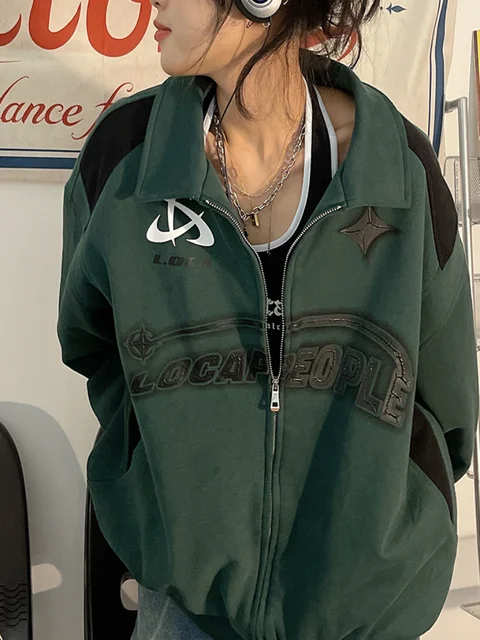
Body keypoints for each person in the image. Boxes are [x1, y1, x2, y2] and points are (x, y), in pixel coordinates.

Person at [56, 0, 479, 638]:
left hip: (362, 622)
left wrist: (373, 541)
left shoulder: (399, 171)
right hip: (186, 615)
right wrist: (164, 491)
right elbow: (94, 346)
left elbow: (446, 407)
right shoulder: (122, 160)